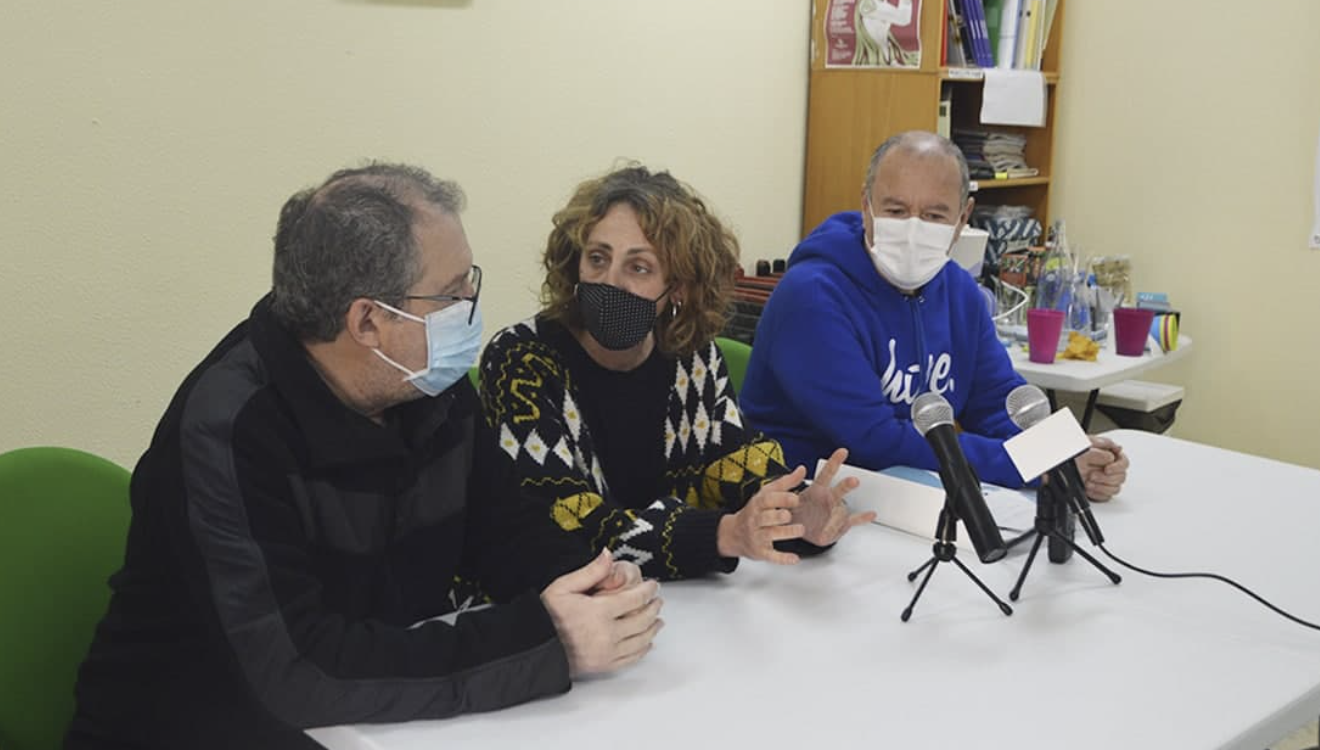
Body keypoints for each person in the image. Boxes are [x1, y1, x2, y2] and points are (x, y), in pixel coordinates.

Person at [66, 163, 663, 750]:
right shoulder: (230, 426)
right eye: (453, 294)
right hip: (193, 727)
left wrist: (584, 583)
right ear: (369, 321)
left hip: (368, 724)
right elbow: (298, 671)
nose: (471, 307)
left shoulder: (429, 384)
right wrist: (543, 640)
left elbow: (502, 525)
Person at [479, 165, 873, 582]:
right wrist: (719, 534)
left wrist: (799, 512)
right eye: (597, 259)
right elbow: (560, 524)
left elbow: (736, 466)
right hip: (556, 608)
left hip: (680, 606)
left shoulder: (692, 357)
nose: (610, 282)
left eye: (639, 267)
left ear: (679, 289)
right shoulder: (520, 359)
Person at [740, 132, 1129, 501]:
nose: (913, 229)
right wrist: (1032, 463)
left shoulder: (961, 293)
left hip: (912, 498)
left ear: (963, 218)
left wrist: (1068, 451)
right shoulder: (811, 296)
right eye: (896, 210)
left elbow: (997, 401)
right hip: (803, 504)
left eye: (934, 215)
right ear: (866, 205)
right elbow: (873, 441)